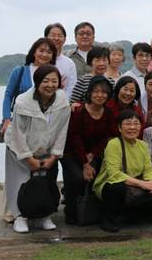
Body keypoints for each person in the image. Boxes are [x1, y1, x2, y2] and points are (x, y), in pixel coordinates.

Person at [4, 64, 70, 233]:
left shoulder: (62, 100)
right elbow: (18, 133)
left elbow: (63, 130)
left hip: (45, 149)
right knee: (20, 182)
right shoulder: (23, 102)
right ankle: (20, 217)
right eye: (45, 81)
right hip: (18, 148)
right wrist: (28, 158)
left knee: (46, 181)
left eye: (54, 81)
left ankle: (43, 216)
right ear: (37, 82)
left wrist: (54, 156)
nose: (50, 85)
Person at [94, 110, 152, 232]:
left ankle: (147, 214)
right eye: (128, 124)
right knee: (116, 187)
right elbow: (114, 174)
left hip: (135, 183)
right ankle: (108, 219)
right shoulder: (114, 144)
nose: (132, 127)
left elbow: (148, 169)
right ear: (119, 128)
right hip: (113, 183)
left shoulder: (143, 145)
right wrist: (143, 184)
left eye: (136, 123)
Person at [61, 76, 115, 224]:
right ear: (89, 92)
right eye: (96, 91)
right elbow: (74, 137)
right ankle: (71, 211)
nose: (100, 95)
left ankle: (91, 211)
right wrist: (85, 162)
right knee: (78, 178)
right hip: (71, 153)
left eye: (104, 92)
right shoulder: (79, 111)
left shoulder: (108, 112)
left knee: (94, 178)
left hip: (94, 154)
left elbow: (108, 136)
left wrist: (92, 155)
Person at [1, 38, 58, 139]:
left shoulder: (54, 74)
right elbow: (8, 95)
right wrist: (6, 119)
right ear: (34, 52)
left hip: (44, 128)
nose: (44, 55)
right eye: (41, 50)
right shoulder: (19, 71)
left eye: (49, 52)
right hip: (19, 124)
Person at [44, 23, 78, 96]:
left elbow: (72, 88)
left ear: (64, 39)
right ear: (46, 37)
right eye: (53, 35)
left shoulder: (69, 63)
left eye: (60, 36)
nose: (56, 38)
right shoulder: (40, 60)